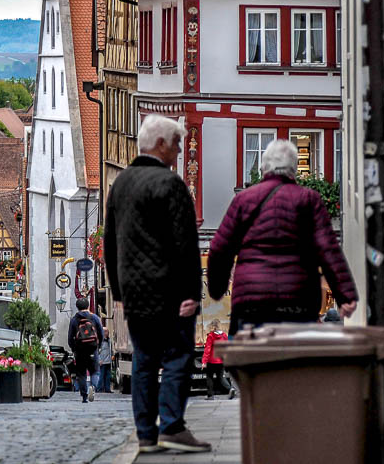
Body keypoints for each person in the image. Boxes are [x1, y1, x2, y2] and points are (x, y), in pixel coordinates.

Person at [105, 115, 211, 454]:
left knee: (144, 360)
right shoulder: (171, 185)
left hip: (135, 292)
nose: (180, 150)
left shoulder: (121, 184)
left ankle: (145, 433)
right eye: (177, 143)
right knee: (178, 356)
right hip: (168, 290)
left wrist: (118, 291)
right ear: (161, 144)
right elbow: (184, 244)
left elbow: (110, 242)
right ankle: (172, 426)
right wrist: (192, 293)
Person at [208, 138, 358, 334]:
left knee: (249, 360)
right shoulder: (309, 199)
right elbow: (327, 248)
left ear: (264, 167)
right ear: (294, 169)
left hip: (252, 299)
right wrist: (345, 294)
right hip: (297, 299)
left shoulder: (244, 200)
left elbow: (220, 248)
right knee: (292, 360)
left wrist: (217, 289)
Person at [68, 297, 104, 403]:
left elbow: (70, 337)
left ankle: (84, 396)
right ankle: (93, 386)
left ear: (77, 307)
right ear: (88, 306)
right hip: (93, 348)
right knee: (95, 372)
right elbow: (101, 334)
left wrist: (74, 349)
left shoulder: (74, 320)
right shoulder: (95, 318)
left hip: (80, 350)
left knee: (81, 374)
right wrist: (99, 346)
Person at [201, 320, 231, 400]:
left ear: (213, 326)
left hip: (212, 361)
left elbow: (208, 349)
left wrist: (204, 361)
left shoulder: (211, 336)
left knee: (209, 377)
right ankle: (230, 389)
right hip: (221, 361)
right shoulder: (224, 335)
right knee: (221, 377)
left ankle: (210, 396)